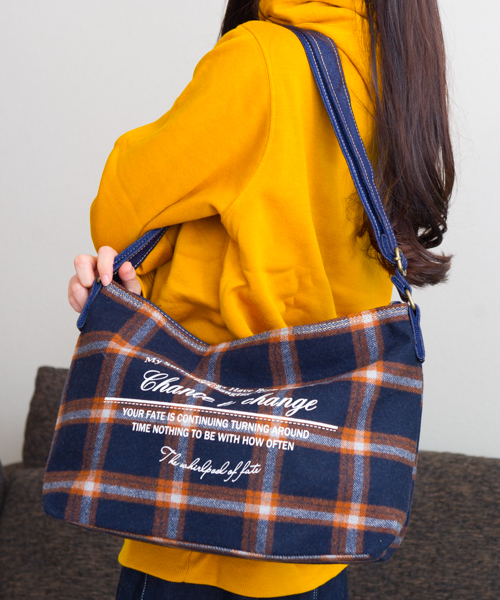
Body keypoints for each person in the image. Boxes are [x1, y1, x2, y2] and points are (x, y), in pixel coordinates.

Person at [68, 0, 454, 598]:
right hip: (313, 542)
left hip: (201, 532)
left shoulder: (262, 59)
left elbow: (120, 221)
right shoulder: (392, 63)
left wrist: (138, 265)